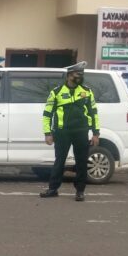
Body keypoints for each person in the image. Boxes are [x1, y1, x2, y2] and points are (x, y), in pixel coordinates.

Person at [41, 61, 100, 202]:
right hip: (62, 133)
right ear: (68, 76)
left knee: (81, 162)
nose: (80, 77)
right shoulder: (56, 92)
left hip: (81, 131)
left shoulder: (86, 92)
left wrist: (96, 133)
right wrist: (47, 133)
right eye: (77, 74)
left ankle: (80, 191)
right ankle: (53, 189)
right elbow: (47, 114)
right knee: (59, 161)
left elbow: (93, 113)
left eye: (81, 74)